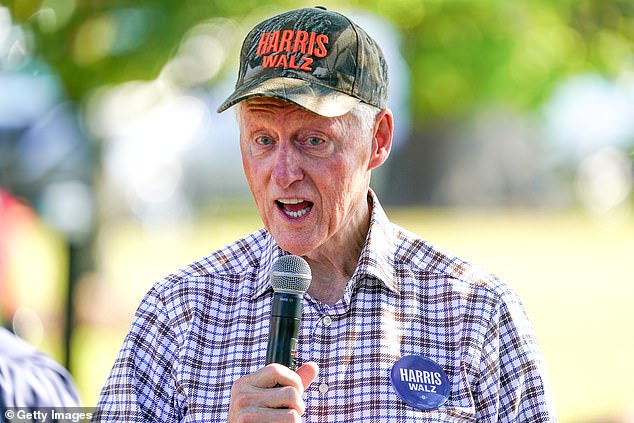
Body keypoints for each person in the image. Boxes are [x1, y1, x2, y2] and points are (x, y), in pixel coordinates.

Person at [93, 6, 556, 422]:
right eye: (263, 140)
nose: (284, 173)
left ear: (378, 139)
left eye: (313, 140)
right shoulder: (180, 313)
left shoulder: (473, 311)